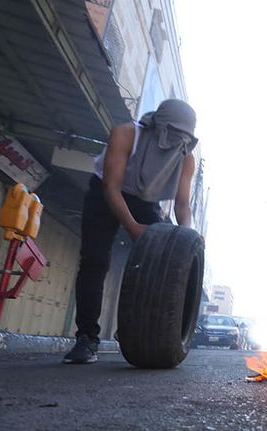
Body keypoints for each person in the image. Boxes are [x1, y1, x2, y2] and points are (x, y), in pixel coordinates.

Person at [63, 99, 198, 364]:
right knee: (95, 261)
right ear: (158, 125)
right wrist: (133, 227)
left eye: (185, 137)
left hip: (145, 201)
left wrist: (186, 243)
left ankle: (134, 327)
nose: (177, 140)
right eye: (172, 132)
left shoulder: (186, 158)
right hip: (105, 195)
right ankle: (87, 338)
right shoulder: (126, 134)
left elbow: (182, 205)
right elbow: (111, 188)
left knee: (162, 265)